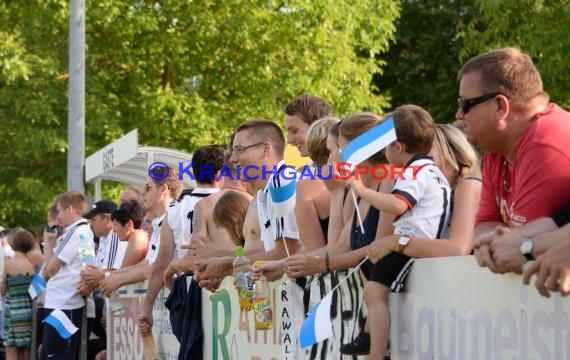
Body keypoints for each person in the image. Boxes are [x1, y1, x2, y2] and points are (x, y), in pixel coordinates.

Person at [347, 105, 452, 360]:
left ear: (398, 146)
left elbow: (397, 204)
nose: (383, 152)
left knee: (373, 291)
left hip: (413, 246)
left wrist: (362, 191)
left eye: (385, 145)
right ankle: (370, 338)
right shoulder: (432, 171)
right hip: (417, 243)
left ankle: (376, 351)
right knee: (369, 272)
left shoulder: (414, 172)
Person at [454, 47, 570, 274]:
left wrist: (514, 245)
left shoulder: (545, 141)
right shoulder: (498, 147)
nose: (459, 115)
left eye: (465, 105)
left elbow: (518, 252)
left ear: (500, 106)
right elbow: (484, 229)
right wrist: (502, 244)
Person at [138, 145, 223, 341]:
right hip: (222, 294)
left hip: (188, 297)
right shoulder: (232, 201)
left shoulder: (176, 209)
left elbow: (160, 265)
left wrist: (147, 308)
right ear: (220, 173)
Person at [98, 166, 181, 296]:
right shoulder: (160, 221)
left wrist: (117, 278)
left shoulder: (175, 219)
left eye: (148, 188)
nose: (143, 193)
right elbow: (148, 263)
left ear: (164, 189)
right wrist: (111, 275)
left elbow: (157, 268)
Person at [41, 191, 94, 359]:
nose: (58, 216)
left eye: (59, 210)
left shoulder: (75, 232)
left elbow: (50, 270)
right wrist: (49, 242)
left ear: (69, 209)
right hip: (64, 302)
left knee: (55, 355)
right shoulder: (83, 230)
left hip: (64, 302)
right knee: (54, 353)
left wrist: (48, 246)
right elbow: (89, 264)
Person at [1, 229, 35, 360]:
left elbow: (3, 289)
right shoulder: (30, 266)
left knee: (10, 348)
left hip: (13, 310)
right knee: (23, 349)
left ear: (13, 244)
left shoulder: (9, 264)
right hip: (26, 312)